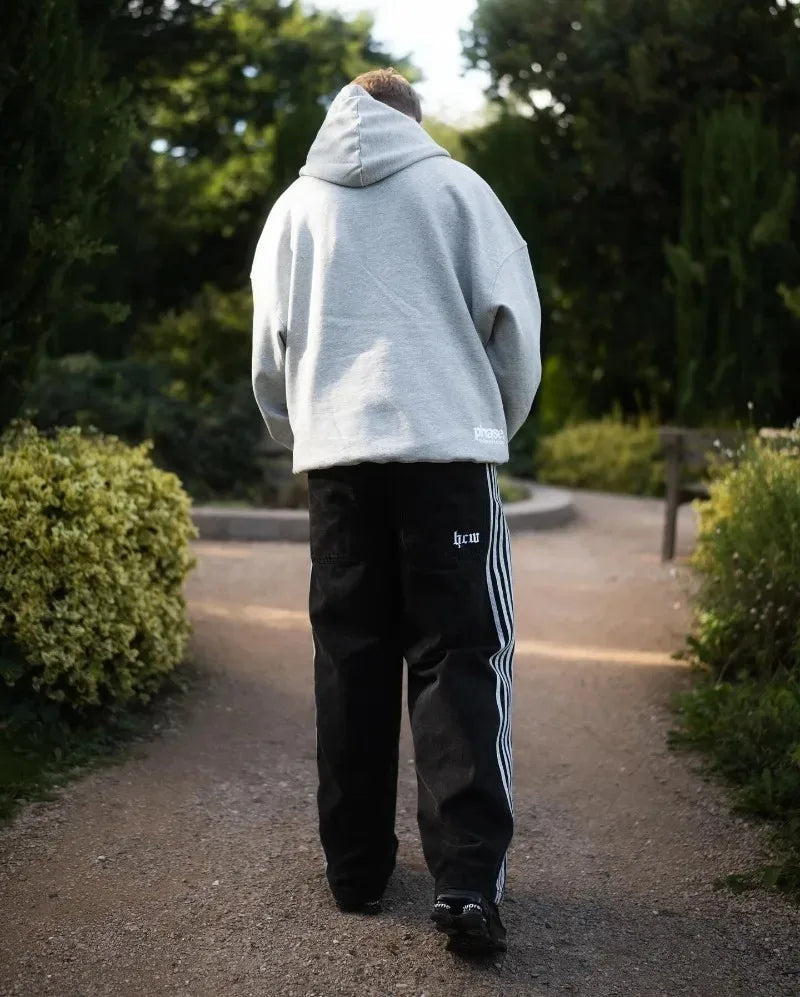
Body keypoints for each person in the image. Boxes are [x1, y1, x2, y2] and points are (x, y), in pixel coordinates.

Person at [251, 68, 541, 955]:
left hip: (339, 465)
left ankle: (356, 869)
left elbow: (270, 358)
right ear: (413, 120)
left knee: (351, 657)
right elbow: (515, 334)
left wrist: (310, 431)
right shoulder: (459, 190)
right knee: (461, 657)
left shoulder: (294, 210)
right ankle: (465, 881)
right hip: (446, 458)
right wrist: (485, 423)